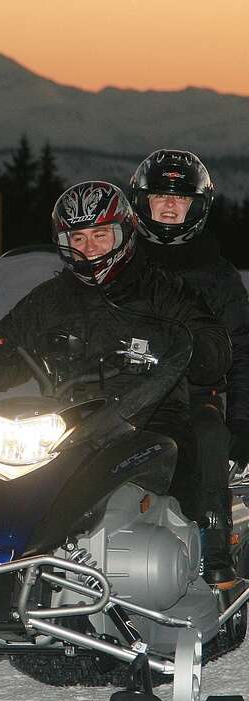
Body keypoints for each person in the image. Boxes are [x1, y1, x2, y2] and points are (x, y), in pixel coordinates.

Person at [0, 181, 232, 562]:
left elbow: (210, 340)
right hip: (71, 422)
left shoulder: (164, 291)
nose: (89, 249)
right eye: (77, 239)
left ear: (124, 233)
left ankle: (204, 559)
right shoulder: (49, 300)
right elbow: (7, 347)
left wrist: (202, 348)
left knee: (180, 457)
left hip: (151, 414)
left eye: (101, 235)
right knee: (1, 479)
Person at [130, 149, 249, 586]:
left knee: (206, 433)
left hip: (195, 394)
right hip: (122, 391)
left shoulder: (216, 275)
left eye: (180, 198)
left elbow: (242, 349)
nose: (168, 205)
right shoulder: (119, 262)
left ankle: (213, 549)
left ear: (197, 207)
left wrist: (242, 421)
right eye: (159, 195)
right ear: (141, 202)